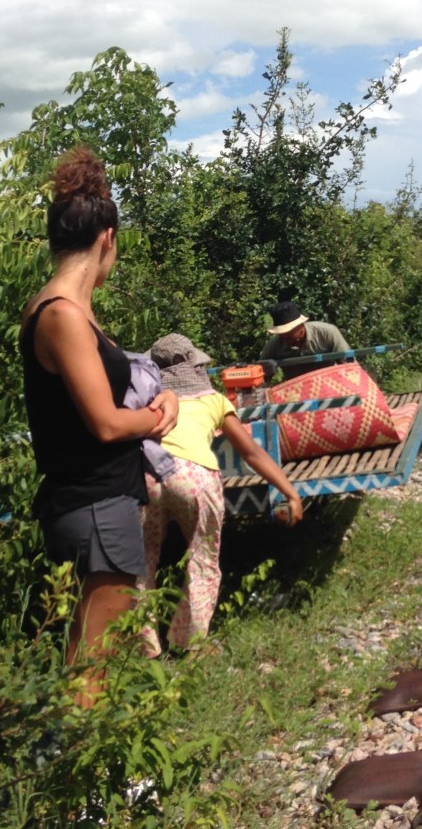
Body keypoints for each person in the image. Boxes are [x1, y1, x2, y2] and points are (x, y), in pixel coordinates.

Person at [19, 146, 178, 706]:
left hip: (97, 503)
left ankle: (87, 754)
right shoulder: (62, 313)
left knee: (97, 653)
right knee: (91, 663)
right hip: (94, 506)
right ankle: (77, 760)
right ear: (107, 238)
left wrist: (158, 402)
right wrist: (157, 418)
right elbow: (107, 424)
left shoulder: (66, 310)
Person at [141, 333, 304, 654]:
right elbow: (251, 453)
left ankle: (143, 651)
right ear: (195, 367)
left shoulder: (150, 402)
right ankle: (190, 645)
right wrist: (291, 493)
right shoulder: (213, 400)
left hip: (146, 476)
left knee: (141, 562)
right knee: (202, 560)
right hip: (194, 476)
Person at [259, 300, 351, 380]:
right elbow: (260, 374)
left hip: (330, 385)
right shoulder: (274, 346)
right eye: (281, 333)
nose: (284, 336)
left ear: (301, 326)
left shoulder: (327, 333)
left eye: (288, 332)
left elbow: (349, 365)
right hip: (296, 390)